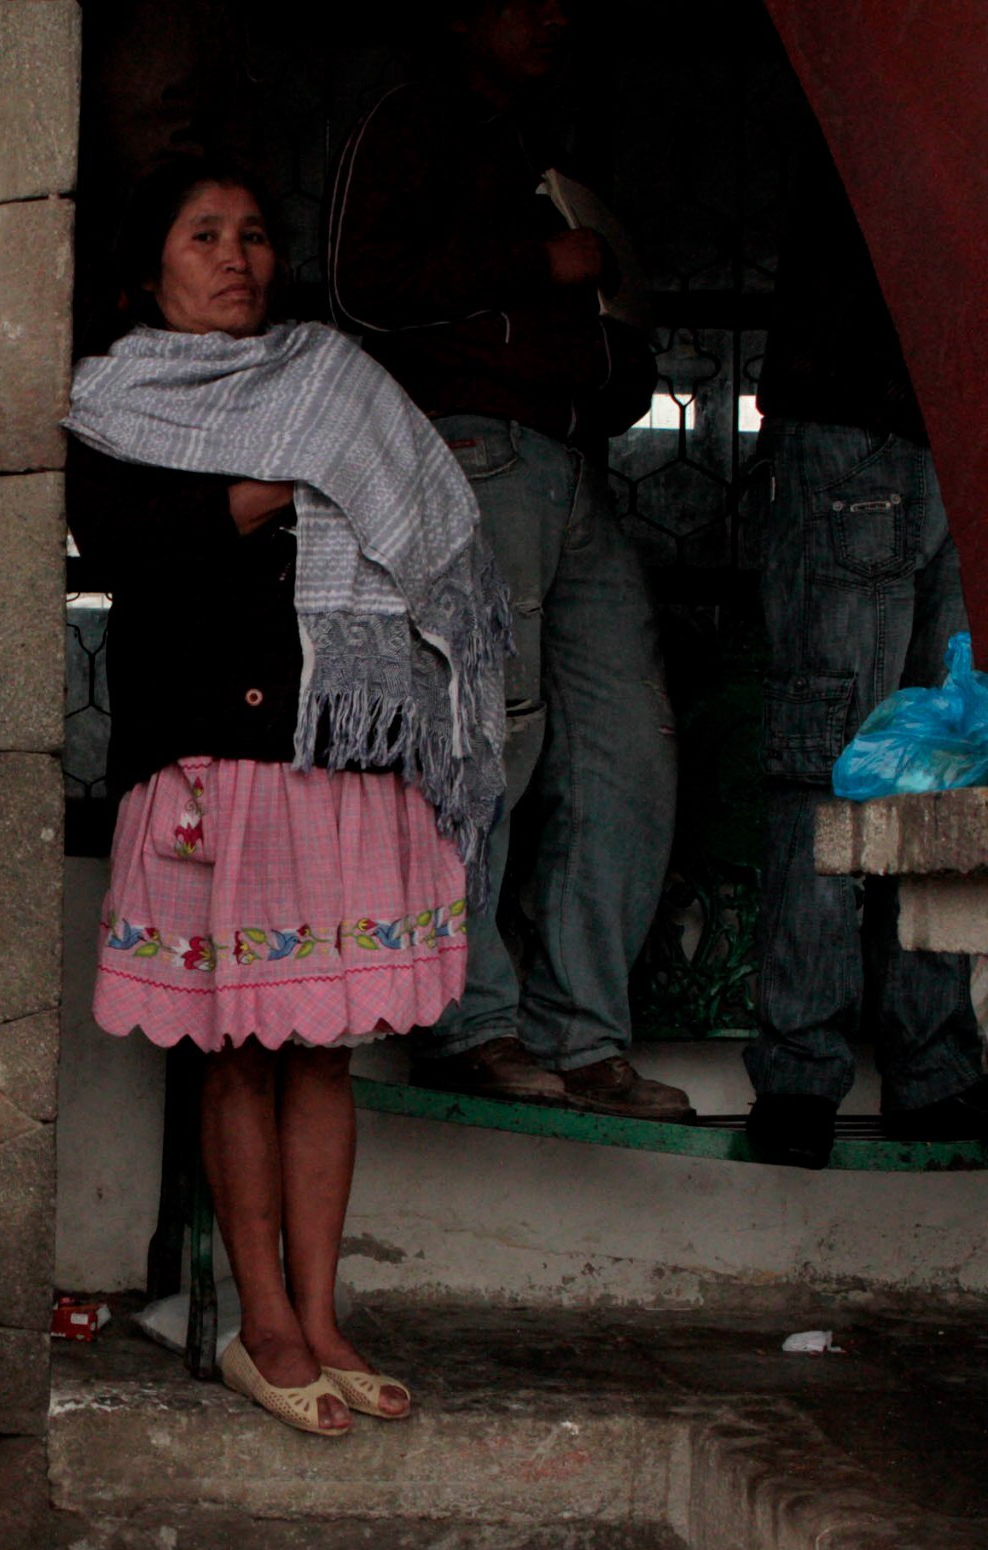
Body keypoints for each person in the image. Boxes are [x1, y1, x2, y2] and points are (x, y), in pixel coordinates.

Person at [67, 159, 507, 1436]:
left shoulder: (334, 382)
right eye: (202, 234)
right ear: (147, 272)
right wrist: (300, 474)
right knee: (237, 1048)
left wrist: (320, 461)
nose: (234, 255)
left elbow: (432, 534)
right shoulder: (110, 401)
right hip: (210, 765)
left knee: (322, 1049)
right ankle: (259, 1321)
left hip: (338, 764)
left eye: (253, 234)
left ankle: (321, 1315)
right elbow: (131, 538)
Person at [327, 0, 691, 1118]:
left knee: (627, 747)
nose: (553, 18)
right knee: (486, 737)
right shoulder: (410, 124)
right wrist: (539, 263)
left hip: (571, 462)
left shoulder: (541, 144)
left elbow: (601, 318)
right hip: (473, 451)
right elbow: (357, 284)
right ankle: (467, 1018)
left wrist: (606, 353)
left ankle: (585, 1033)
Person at [744, 122, 988, 1168]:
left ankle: (880, 1069)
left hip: (917, 427)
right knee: (850, 760)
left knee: (921, 762)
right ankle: (840, 1071)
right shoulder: (898, 89)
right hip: (874, 418)